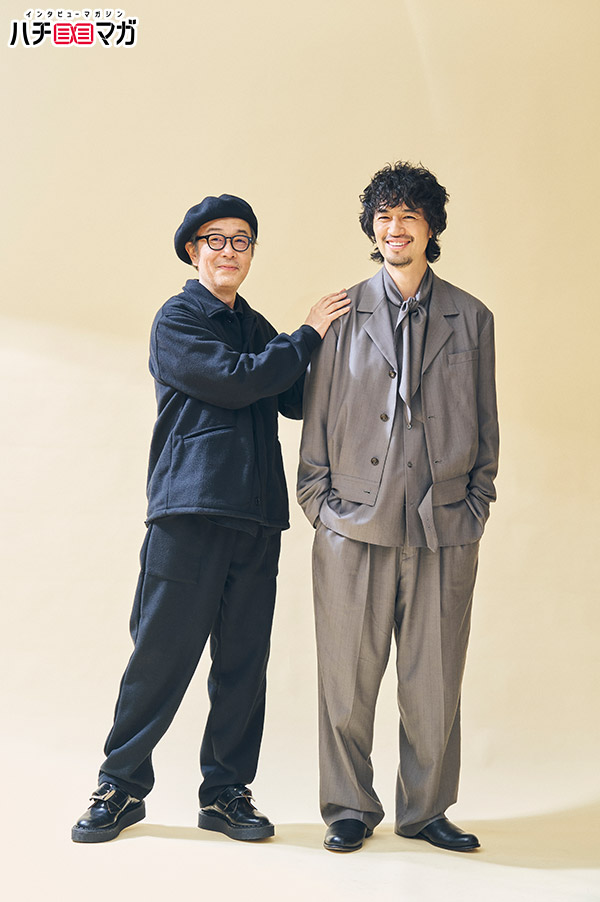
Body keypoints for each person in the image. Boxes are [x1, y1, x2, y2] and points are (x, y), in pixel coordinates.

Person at [72, 194, 349, 844]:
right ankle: (119, 785)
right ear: (193, 250)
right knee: (161, 654)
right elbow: (235, 379)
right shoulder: (177, 319)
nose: (229, 251)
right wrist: (308, 334)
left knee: (243, 664)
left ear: (251, 253)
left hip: (256, 518)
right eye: (216, 240)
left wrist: (343, 346)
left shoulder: (254, 324)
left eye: (241, 240)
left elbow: (291, 396)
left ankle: (225, 793)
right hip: (190, 511)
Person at [297, 163, 499, 853]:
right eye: (384, 216)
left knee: (435, 683)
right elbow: (317, 419)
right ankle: (348, 808)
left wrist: (475, 506)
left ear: (431, 227)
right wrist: (321, 505)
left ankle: (426, 810)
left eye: (409, 215)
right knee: (345, 682)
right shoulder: (341, 314)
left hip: (444, 526)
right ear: (372, 228)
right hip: (352, 524)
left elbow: (486, 424)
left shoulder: (472, 317)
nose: (395, 228)